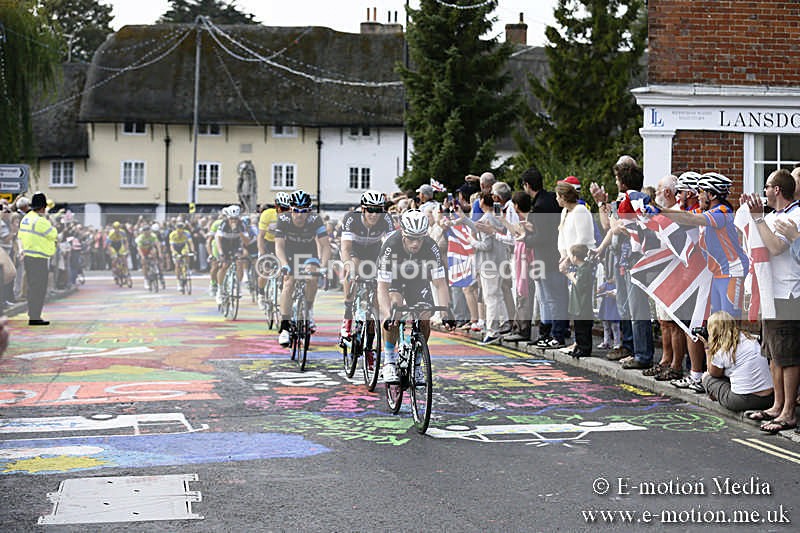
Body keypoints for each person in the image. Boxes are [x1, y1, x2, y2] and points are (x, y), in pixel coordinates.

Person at [660, 172, 749, 392]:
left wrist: (659, 209)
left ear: (712, 194)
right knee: (715, 327)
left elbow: (690, 219)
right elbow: (683, 214)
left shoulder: (722, 212)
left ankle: (734, 378)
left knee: (730, 326)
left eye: (701, 192)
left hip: (732, 273)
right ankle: (717, 376)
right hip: (718, 274)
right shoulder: (708, 209)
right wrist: (656, 210)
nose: (698, 195)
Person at [740, 169, 800, 434]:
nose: (763, 191)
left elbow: (776, 247)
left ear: (777, 190)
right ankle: (777, 405)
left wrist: (758, 221)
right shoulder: (774, 216)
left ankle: (788, 412)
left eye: (766, 186)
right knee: (774, 354)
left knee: (788, 356)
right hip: (769, 292)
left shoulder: (796, 215)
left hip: (788, 293)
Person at [377, 209, 455, 383]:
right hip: (395, 279)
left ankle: (417, 362)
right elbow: (382, 287)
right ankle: (389, 360)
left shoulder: (431, 246)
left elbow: (440, 283)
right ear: (403, 234)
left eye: (419, 239)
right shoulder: (391, 245)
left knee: (425, 314)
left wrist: (446, 312)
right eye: (411, 238)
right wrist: (387, 314)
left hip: (418, 279)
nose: (415, 244)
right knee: (395, 307)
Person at [275, 190, 331, 347]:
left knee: (312, 277)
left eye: (304, 211)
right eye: (296, 210)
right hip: (290, 253)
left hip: (308, 253)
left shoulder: (315, 220)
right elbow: (279, 246)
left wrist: (324, 266)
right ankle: (285, 327)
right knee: (288, 282)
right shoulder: (283, 219)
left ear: (309, 211)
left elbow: (325, 246)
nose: (299, 215)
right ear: (290, 209)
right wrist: (284, 265)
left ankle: (308, 309)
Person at [338, 190, 394, 339]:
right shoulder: (351, 219)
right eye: (370, 210)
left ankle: (370, 345)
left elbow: (392, 246)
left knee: (376, 295)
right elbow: (345, 248)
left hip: (374, 251)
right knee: (353, 270)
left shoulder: (386, 219)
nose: (374, 214)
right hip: (354, 250)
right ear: (363, 209)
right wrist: (349, 268)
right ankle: (348, 316)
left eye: (378, 210)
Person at [700, 311, 774, 413]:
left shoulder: (723, 349)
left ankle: (719, 395)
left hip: (742, 400)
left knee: (706, 377)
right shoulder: (749, 338)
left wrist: (707, 348)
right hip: (769, 399)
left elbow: (713, 373)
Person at [18, 192, 57, 325]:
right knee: (39, 288)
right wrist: (48, 220)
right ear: (42, 207)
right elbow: (53, 234)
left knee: (32, 287)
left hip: (29, 256)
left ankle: (32, 314)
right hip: (39, 257)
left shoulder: (26, 218)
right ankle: (35, 317)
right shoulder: (40, 221)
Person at [257, 192, 291, 309]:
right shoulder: (267, 214)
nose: (283, 211)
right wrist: (262, 253)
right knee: (265, 270)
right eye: (281, 208)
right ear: (276, 206)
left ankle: (282, 291)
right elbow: (260, 236)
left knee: (287, 269)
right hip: (268, 242)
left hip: (283, 243)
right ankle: (261, 294)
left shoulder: (291, 216)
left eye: (286, 208)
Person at [214, 205, 248, 307]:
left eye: (236, 218)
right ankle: (219, 290)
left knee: (239, 262)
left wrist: (240, 232)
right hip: (224, 244)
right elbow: (218, 240)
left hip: (236, 244)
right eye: (232, 218)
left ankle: (238, 286)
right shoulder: (223, 224)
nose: (234, 221)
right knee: (224, 265)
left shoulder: (242, 225)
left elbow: (246, 241)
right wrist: (220, 253)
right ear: (228, 218)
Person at [566, 244, 594, 358]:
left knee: (583, 329)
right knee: (579, 329)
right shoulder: (583, 268)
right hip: (578, 306)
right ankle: (579, 347)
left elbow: (580, 286)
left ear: (575, 257)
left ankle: (584, 348)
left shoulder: (584, 269)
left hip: (582, 306)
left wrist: (571, 277)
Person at [169, 219, 195, 287]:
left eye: (182, 229)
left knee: (186, 252)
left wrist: (193, 250)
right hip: (176, 248)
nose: (180, 231)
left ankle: (187, 267)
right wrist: (174, 253)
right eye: (179, 230)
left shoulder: (187, 233)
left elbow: (191, 243)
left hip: (183, 246)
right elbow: (171, 246)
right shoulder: (172, 234)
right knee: (177, 264)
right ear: (176, 229)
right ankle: (178, 281)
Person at [136, 223, 163, 290]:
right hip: (143, 250)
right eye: (145, 232)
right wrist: (142, 256)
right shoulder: (140, 238)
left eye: (148, 231)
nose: (147, 233)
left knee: (154, 251)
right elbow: (139, 248)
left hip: (150, 248)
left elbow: (157, 244)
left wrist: (160, 253)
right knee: (144, 264)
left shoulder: (153, 235)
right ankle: (146, 280)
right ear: (143, 232)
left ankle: (155, 265)